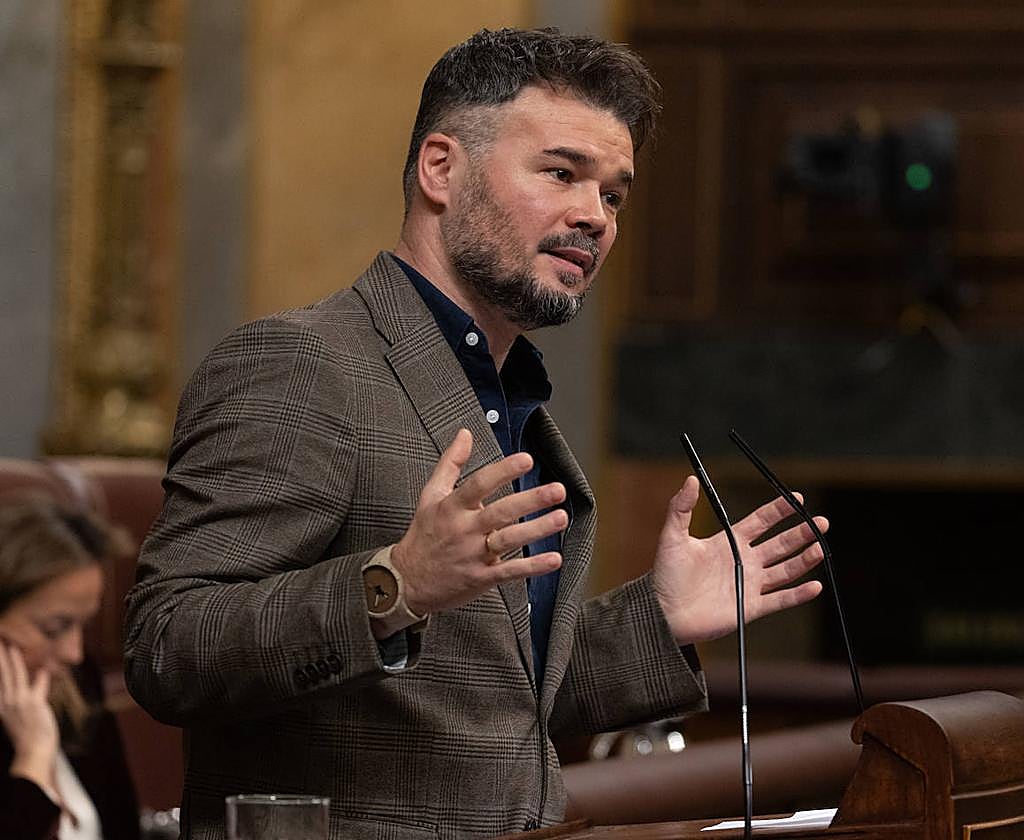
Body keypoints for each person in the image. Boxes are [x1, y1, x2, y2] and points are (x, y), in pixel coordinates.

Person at [124, 27, 829, 839]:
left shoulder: (509, 399)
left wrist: (658, 617)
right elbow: (167, 646)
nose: (594, 216)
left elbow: (491, 705)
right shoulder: (301, 364)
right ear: (441, 169)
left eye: (613, 195)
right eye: (561, 173)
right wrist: (394, 583)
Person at [1, 499, 141, 840]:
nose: (74, 654)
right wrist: (33, 756)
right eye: (54, 628)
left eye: (83, 625)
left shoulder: (79, 684)